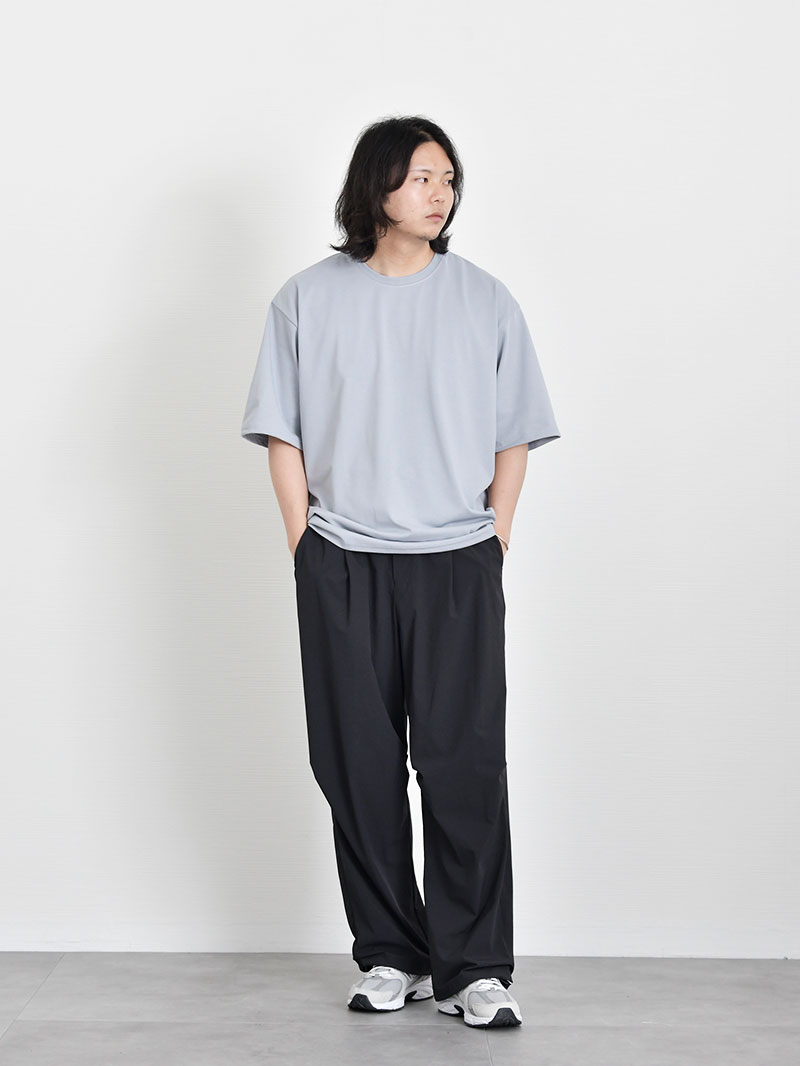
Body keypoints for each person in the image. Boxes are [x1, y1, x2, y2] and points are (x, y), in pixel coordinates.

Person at [240, 115, 560, 1029]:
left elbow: (513, 434)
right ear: (376, 184)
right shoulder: (306, 300)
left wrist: (493, 539)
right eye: (423, 177)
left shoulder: (485, 300)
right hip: (342, 561)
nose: (440, 193)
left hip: (455, 563)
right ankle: (391, 953)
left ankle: (473, 969)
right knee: (357, 766)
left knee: (465, 765)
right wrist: (306, 546)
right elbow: (284, 433)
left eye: (448, 179)